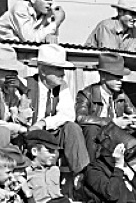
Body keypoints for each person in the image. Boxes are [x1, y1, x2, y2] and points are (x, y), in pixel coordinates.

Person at [19, 44, 90, 176]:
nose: (63, 73)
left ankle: (82, 175)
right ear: (43, 71)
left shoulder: (62, 86)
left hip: (52, 134)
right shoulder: (25, 84)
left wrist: (44, 123)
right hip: (30, 136)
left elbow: (67, 114)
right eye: (58, 69)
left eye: (62, 69)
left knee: (72, 127)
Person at [75, 52, 136, 159]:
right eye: (116, 76)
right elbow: (80, 118)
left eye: (121, 77)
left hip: (116, 140)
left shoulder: (121, 96)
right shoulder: (86, 94)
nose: (121, 80)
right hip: (96, 141)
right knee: (91, 129)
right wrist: (113, 122)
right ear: (103, 76)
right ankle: (91, 170)